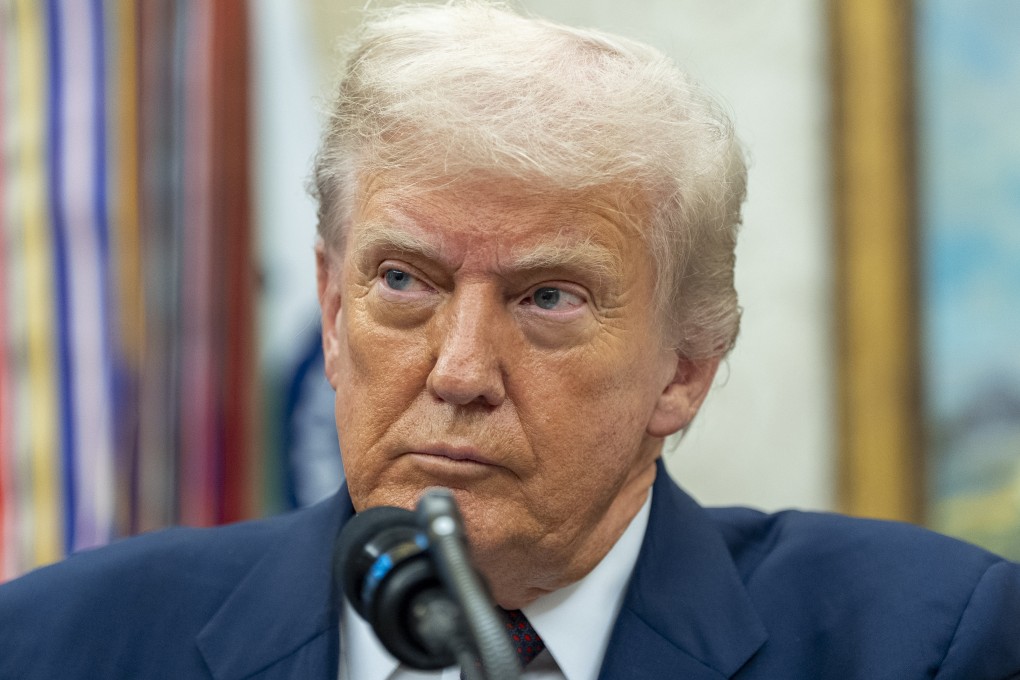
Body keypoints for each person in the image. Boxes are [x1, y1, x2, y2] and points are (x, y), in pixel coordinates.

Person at [2, 3, 1019, 679]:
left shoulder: (926, 642)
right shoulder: (60, 644)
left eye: (548, 297)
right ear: (332, 307)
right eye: (404, 281)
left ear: (686, 367)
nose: (458, 371)